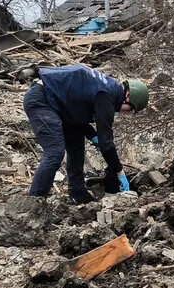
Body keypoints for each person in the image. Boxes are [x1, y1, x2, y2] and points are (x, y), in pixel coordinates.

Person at [23, 64, 149, 203]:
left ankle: (78, 194)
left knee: (76, 146)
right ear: (128, 95)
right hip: (42, 101)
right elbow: (106, 144)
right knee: (55, 152)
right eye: (130, 109)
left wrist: (93, 135)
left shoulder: (109, 90)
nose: (126, 112)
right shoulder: (106, 96)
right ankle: (35, 201)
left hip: (59, 105)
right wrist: (119, 172)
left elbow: (77, 113)